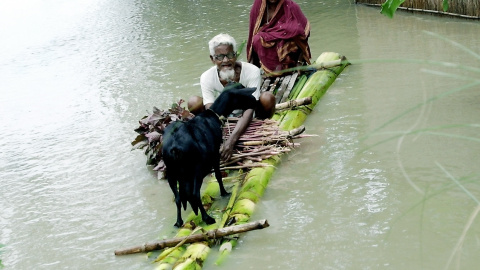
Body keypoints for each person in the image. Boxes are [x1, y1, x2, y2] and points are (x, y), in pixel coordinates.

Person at [188, 33, 276, 161]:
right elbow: (211, 111)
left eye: (229, 55)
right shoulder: (206, 77)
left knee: (268, 99)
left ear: (235, 55)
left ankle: (262, 126)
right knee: (193, 102)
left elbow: (249, 109)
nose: (226, 61)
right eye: (219, 57)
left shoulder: (252, 71)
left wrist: (231, 141)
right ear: (212, 59)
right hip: (223, 117)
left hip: (250, 115)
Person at [246, 0, 311, 75]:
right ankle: (272, 70)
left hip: (288, 50)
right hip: (269, 42)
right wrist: (251, 69)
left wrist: (300, 61)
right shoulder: (259, 6)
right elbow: (252, 33)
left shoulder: (291, 6)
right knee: (257, 39)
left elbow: (304, 31)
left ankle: (292, 66)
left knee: (294, 31)